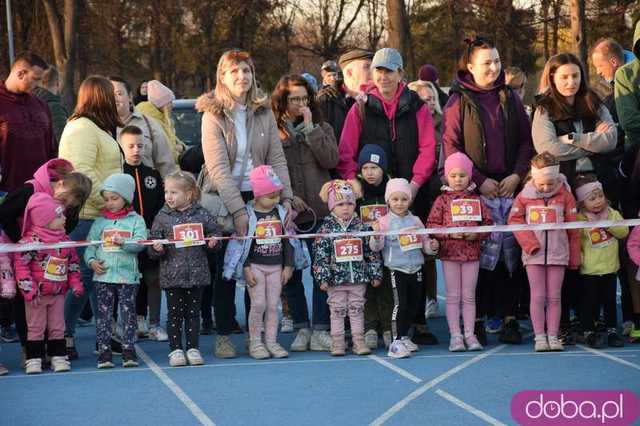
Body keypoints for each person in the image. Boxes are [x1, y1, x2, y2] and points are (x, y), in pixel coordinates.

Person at [196, 49, 293, 359]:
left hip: (262, 196)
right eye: (235, 71)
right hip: (225, 201)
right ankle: (224, 334)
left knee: (262, 267)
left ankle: (260, 337)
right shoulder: (212, 115)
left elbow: (276, 157)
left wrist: (286, 197)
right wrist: (238, 210)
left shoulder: (263, 111)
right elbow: (218, 169)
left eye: (247, 71)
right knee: (227, 271)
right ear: (222, 77)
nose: (242, 77)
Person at [442, 37, 534, 345]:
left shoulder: (510, 97)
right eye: (486, 63)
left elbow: (525, 140)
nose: (493, 68)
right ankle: (477, 319)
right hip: (474, 189)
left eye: (496, 61)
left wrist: (517, 175)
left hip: (509, 186)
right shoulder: (458, 101)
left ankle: (509, 317)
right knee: (478, 254)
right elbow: (452, 146)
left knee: (510, 254)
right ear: (470, 66)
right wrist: (478, 180)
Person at [58, 74, 124, 359]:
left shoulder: (98, 128)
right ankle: (64, 335)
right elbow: (82, 173)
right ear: (100, 96)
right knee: (82, 279)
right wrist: (110, 204)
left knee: (101, 277)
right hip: (88, 216)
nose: (117, 98)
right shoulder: (81, 128)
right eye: (112, 94)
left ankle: (104, 335)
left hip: (101, 215)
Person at [0, 159, 90, 367]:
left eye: (71, 206)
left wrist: (55, 242)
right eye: (65, 202)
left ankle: (52, 349)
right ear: (59, 185)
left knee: (53, 305)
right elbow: (4, 214)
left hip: (49, 256)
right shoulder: (28, 190)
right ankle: (28, 351)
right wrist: (22, 243)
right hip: (21, 250)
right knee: (27, 302)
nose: (66, 207)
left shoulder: (70, 204)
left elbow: (70, 225)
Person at [271, 74, 338, 352]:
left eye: (304, 99)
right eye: (294, 99)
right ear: (283, 102)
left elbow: (331, 160)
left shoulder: (321, 127)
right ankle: (301, 326)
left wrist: (311, 130)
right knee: (293, 273)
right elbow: (269, 171)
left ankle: (322, 328)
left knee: (322, 271)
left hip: (320, 212)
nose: (300, 104)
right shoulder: (274, 132)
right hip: (289, 214)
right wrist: (288, 196)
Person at [223, 165, 309, 359]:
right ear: (258, 194)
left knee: (273, 305)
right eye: (271, 196)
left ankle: (271, 341)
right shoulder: (248, 215)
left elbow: (287, 241)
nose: (276, 200)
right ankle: (255, 342)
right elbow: (242, 244)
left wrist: (288, 266)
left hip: (276, 267)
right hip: (256, 266)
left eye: (278, 195)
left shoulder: (280, 213)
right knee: (258, 304)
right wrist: (245, 268)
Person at [508, 152, 580, 352]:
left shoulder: (566, 195)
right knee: (538, 296)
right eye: (542, 184)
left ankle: (553, 336)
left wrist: (574, 255)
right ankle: (540, 336)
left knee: (555, 297)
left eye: (551, 183)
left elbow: (573, 228)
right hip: (534, 256)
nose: (547, 188)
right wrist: (530, 244)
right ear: (533, 178)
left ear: (557, 178)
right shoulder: (524, 197)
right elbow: (514, 221)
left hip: (558, 254)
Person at [149, 171, 221, 367]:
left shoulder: (201, 214)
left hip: (197, 274)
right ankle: (175, 350)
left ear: (189, 195)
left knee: (193, 314)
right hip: (172, 275)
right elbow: (152, 245)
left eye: (174, 192)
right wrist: (157, 248)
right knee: (174, 314)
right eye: (166, 192)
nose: (168, 197)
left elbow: (215, 233)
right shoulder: (162, 216)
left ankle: (193, 348)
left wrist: (214, 242)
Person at [427, 153, 492, 352]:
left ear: (470, 176)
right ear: (447, 176)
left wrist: (477, 235)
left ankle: (470, 335)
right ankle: (455, 336)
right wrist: (449, 234)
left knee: (469, 296)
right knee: (453, 296)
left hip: (472, 254)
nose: (457, 180)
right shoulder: (442, 200)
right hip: (450, 255)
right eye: (453, 175)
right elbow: (432, 225)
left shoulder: (477, 199)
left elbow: (488, 224)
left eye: (462, 175)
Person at [13, 193, 84, 374]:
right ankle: (34, 359)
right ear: (45, 220)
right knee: (35, 328)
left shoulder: (65, 241)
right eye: (59, 215)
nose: (64, 218)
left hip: (58, 293)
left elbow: (73, 264)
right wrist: (29, 290)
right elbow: (21, 268)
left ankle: (58, 357)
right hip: (37, 296)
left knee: (57, 327)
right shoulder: (30, 243)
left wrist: (76, 284)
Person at [370, 178, 439, 359]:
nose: (399, 203)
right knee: (399, 305)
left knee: (413, 305)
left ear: (410, 200)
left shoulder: (416, 221)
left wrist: (432, 246)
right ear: (388, 201)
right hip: (396, 269)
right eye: (395, 199)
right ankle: (395, 341)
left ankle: (405, 336)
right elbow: (376, 247)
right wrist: (376, 237)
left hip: (415, 268)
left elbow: (425, 244)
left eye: (404, 199)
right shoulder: (383, 222)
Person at [313, 179, 382, 356]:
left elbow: (371, 252)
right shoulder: (325, 229)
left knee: (357, 309)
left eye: (350, 203)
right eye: (340, 203)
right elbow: (321, 256)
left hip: (358, 278)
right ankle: (337, 342)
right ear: (331, 206)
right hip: (336, 280)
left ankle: (359, 341)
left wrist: (375, 273)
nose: (345, 207)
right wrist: (323, 277)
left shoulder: (361, 226)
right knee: (337, 310)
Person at [85, 174, 147, 368]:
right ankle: (104, 352)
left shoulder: (136, 220)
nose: (110, 203)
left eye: (115, 198)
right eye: (106, 199)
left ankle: (128, 349)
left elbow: (141, 243)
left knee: (128, 315)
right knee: (104, 317)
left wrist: (125, 242)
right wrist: (92, 261)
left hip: (128, 278)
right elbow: (90, 246)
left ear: (126, 198)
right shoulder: (100, 222)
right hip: (103, 277)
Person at [119, 125, 167, 342]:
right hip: (128, 240)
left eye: (140, 145)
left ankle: (155, 324)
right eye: (130, 146)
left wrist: (155, 232)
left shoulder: (153, 175)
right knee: (131, 281)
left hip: (151, 237)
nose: (136, 150)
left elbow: (160, 206)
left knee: (153, 278)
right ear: (121, 146)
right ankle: (135, 321)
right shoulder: (119, 174)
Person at [574, 175, 627, 348]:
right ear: (582, 202)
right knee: (589, 301)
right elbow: (576, 240)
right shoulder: (579, 219)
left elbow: (623, 231)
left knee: (610, 300)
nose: (598, 201)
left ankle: (612, 330)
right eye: (592, 198)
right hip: (589, 269)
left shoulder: (612, 213)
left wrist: (608, 224)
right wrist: (579, 257)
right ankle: (588, 330)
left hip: (610, 267)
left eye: (600, 196)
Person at [0, 51, 54, 194]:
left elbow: (51, 148)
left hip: (39, 191)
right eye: (35, 79)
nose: (38, 85)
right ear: (20, 74)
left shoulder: (41, 105)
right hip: (7, 192)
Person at [356, 145, 391, 349]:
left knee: (386, 288)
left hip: (388, 251)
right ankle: (370, 328)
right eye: (366, 167)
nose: (369, 172)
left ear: (383, 169)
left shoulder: (391, 191)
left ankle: (387, 327)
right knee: (366, 289)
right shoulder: (357, 195)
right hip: (364, 253)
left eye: (375, 167)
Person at [111, 76, 178, 178]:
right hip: (110, 192)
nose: (114, 98)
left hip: (146, 188)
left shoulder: (149, 124)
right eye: (109, 94)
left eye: (119, 94)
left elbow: (165, 163)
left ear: (130, 96)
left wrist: (168, 188)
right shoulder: (97, 127)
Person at [317, 49, 373, 143]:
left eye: (373, 68)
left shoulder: (375, 99)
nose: (373, 72)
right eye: (367, 67)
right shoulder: (326, 100)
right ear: (349, 73)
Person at [136, 80, 184, 162]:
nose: (172, 105)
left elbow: (175, 141)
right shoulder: (152, 122)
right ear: (162, 104)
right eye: (170, 102)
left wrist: (182, 147)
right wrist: (177, 150)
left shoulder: (164, 120)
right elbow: (164, 152)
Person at [33, 66, 69, 147]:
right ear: (57, 83)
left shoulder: (30, 102)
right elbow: (63, 140)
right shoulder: (55, 108)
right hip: (51, 157)